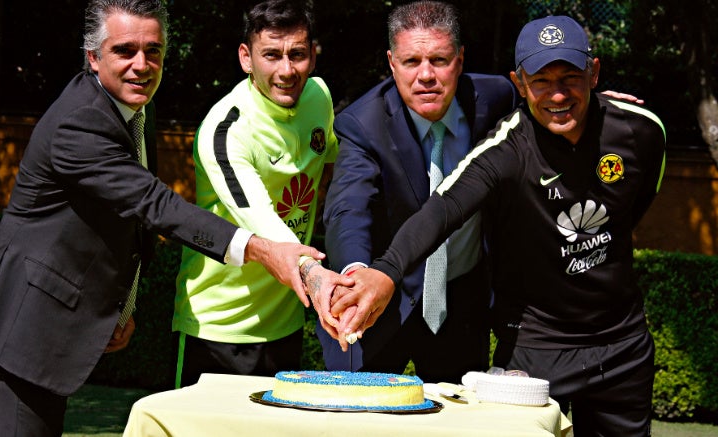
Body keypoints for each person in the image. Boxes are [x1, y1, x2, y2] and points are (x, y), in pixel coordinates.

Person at [0, 1, 344, 435]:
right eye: (125, 50)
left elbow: (127, 224)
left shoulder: (133, 107)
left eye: (153, 50)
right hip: (24, 323)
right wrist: (265, 250)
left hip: (53, 320)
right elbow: (156, 207)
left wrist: (122, 307)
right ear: (92, 57)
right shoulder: (80, 123)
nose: (142, 65)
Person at [334, 15, 666, 436]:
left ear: (594, 73)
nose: (558, 94)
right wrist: (385, 270)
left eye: (571, 77)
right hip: (536, 346)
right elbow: (444, 208)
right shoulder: (505, 147)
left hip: (623, 345)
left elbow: (632, 207)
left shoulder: (642, 129)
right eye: (541, 81)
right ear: (520, 83)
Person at [316, 0, 518, 382]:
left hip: (461, 304)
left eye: (439, 60)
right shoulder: (363, 124)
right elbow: (348, 208)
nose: (426, 75)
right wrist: (356, 276)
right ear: (392, 63)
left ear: (459, 59)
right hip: (377, 303)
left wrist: (600, 108)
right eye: (411, 62)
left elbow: (550, 106)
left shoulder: (495, 99)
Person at [173, 0, 343, 387]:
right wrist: (316, 276)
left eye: (297, 54)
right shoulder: (226, 129)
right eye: (272, 55)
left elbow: (339, 159)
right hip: (218, 329)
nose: (287, 70)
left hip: (285, 326)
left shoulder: (319, 97)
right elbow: (261, 221)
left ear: (312, 57)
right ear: (246, 58)